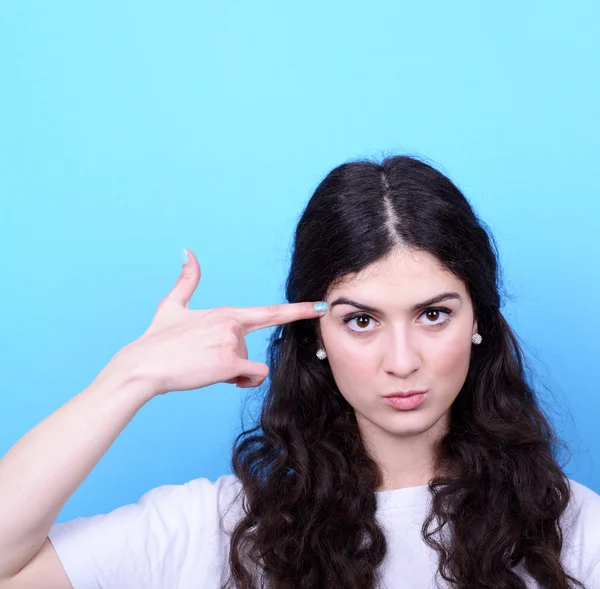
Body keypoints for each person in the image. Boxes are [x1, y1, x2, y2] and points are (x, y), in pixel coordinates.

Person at [0, 155, 598, 589]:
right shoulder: (224, 528)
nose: (402, 360)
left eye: (433, 314)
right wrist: (130, 377)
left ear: (478, 321)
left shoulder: (572, 528)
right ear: (316, 335)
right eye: (361, 321)